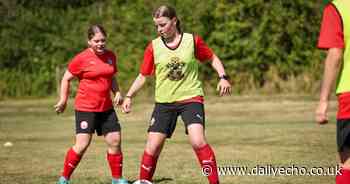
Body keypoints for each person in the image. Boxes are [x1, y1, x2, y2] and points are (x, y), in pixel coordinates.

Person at [122, 5, 231, 184]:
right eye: (157, 26)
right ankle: (143, 182)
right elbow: (143, 75)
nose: (159, 29)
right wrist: (129, 96)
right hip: (164, 102)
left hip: (191, 98)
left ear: (174, 21)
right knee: (153, 146)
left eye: (163, 25)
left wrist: (223, 77)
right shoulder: (153, 47)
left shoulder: (192, 41)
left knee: (198, 141)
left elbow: (212, 58)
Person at [54, 24, 128, 184]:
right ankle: (64, 179)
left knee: (115, 141)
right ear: (89, 42)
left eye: (103, 40)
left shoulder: (110, 56)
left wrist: (117, 93)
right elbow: (66, 78)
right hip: (86, 109)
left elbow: (111, 77)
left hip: (106, 108)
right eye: (96, 41)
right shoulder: (81, 59)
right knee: (82, 145)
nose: (100, 44)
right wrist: (63, 100)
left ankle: (117, 179)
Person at [315, 0, 350, 183]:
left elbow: (335, 54)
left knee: (348, 165)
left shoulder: (337, 8)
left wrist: (323, 100)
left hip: (349, 95)